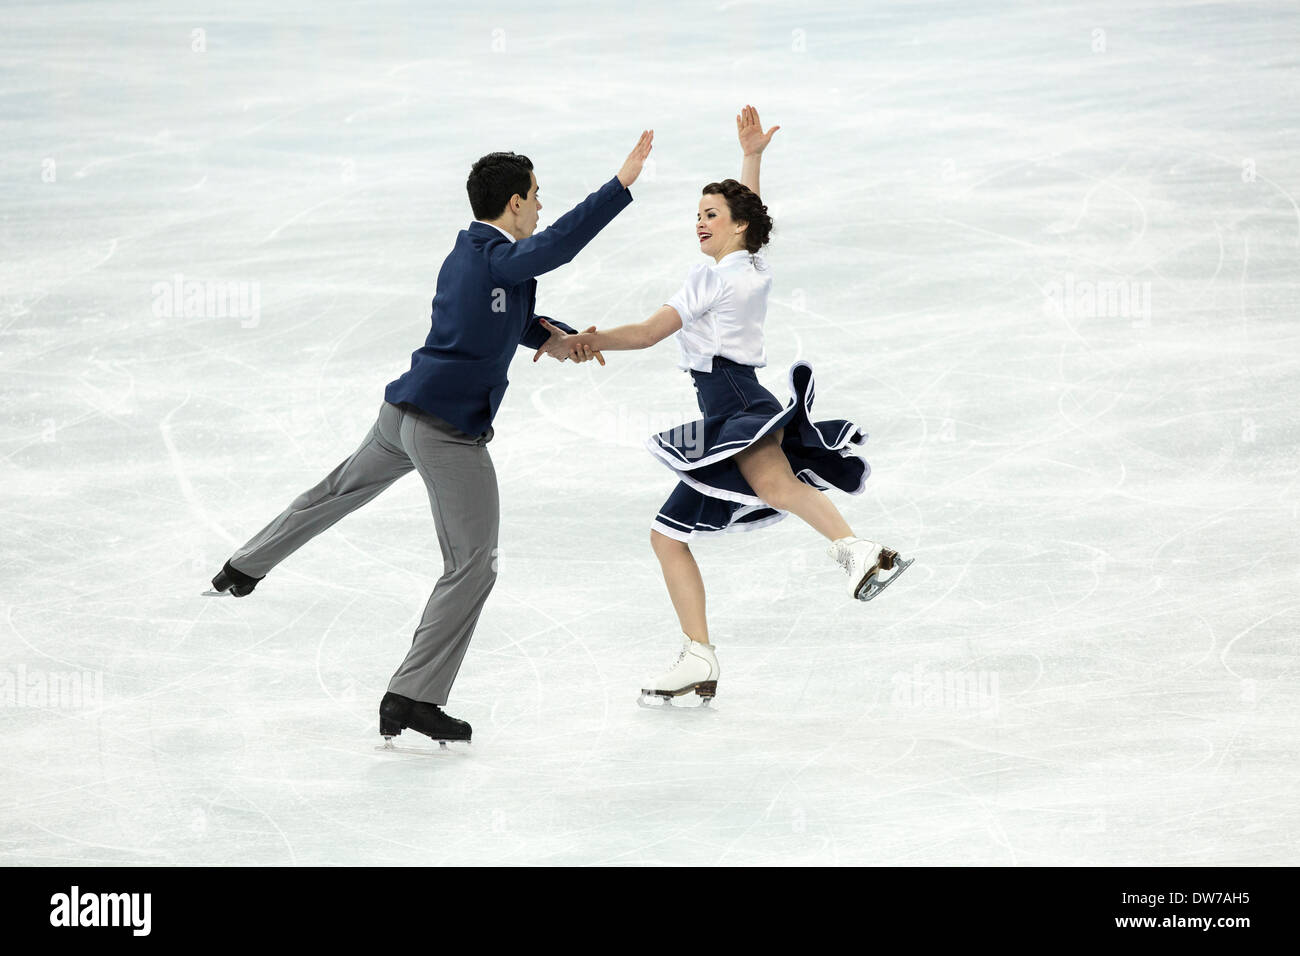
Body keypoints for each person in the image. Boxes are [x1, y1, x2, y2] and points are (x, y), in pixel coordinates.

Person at [208, 131, 655, 743]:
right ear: (516, 204)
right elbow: (556, 248)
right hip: (446, 433)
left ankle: (242, 566)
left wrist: (557, 338)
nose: (542, 206)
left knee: (333, 493)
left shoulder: (473, 253)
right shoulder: (499, 255)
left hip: (401, 416)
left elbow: (511, 314)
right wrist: (620, 185)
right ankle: (410, 696)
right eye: (537, 196)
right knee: (473, 566)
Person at [535, 107, 911, 704]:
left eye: (711, 215)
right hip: (731, 408)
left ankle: (859, 551)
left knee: (774, 485)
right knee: (668, 534)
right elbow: (750, 219)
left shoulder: (708, 279)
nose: (700, 223)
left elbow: (647, 333)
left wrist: (585, 339)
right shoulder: (751, 267)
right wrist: (752, 159)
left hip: (734, 401)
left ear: (735, 227)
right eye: (697, 215)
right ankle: (697, 657)